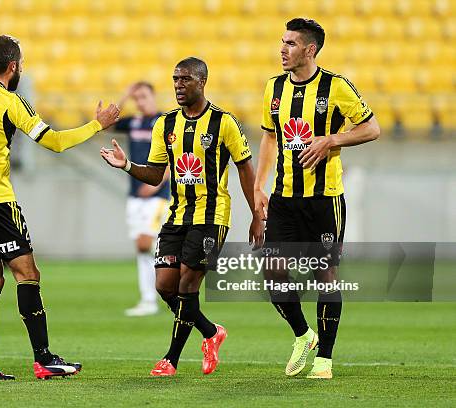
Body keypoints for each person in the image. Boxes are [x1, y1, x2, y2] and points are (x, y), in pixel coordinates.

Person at [0, 35, 119, 380]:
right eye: (21, 64)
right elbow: (55, 143)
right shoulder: (11, 101)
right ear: (13, 66)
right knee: (27, 274)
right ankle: (43, 359)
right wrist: (96, 125)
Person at [101, 57, 264, 377]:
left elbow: (245, 168)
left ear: (202, 82)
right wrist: (127, 166)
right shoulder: (165, 124)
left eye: (185, 79)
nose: (178, 85)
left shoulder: (223, 122)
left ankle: (170, 359)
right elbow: (154, 174)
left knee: (189, 279)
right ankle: (211, 332)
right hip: (177, 214)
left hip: (212, 215)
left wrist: (257, 214)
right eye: (175, 79)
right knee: (165, 286)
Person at [253, 18, 380, 379]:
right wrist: (259, 186)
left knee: (325, 273)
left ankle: (324, 357)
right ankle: (302, 334)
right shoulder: (273, 89)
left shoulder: (336, 87)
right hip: (284, 198)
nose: (282, 48)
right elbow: (269, 138)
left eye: (290, 43)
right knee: (273, 270)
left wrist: (332, 140)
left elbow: (372, 128)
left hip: (324, 199)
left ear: (310, 49)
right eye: (281, 41)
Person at [114, 82, 169, 317]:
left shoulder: (164, 122)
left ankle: (160, 293)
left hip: (157, 195)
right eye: (137, 98)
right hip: (135, 195)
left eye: (144, 97)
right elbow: (107, 123)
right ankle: (149, 298)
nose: (140, 102)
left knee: (145, 244)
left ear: (154, 97)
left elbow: (174, 157)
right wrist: (125, 94)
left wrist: (158, 181)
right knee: (143, 249)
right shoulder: (134, 122)